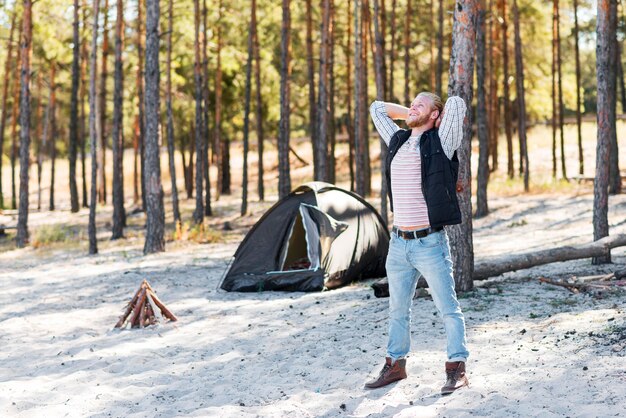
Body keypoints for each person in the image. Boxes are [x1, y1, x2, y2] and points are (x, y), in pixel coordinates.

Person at [365, 92, 469, 395]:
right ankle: (395, 365)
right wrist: (412, 112)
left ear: (435, 116)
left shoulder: (442, 143)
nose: (413, 105)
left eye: (420, 104)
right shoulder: (397, 139)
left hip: (429, 243)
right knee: (398, 309)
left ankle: (456, 369)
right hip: (398, 244)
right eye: (412, 102)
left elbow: (457, 105)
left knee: (448, 309)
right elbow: (377, 109)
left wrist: (430, 112)